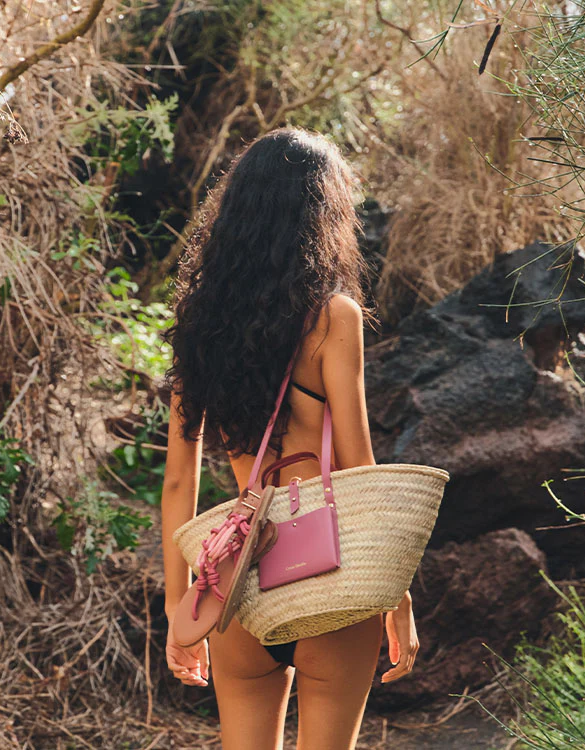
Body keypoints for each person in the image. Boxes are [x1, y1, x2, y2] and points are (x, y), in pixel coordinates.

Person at [160, 127, 419, 750]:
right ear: (322, 215)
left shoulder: (200, 323)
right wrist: (397, 594)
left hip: (242, 577)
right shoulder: (332, 317)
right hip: (330, 573)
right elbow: (357, 466)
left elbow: (178, 481)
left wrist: (179, 609)